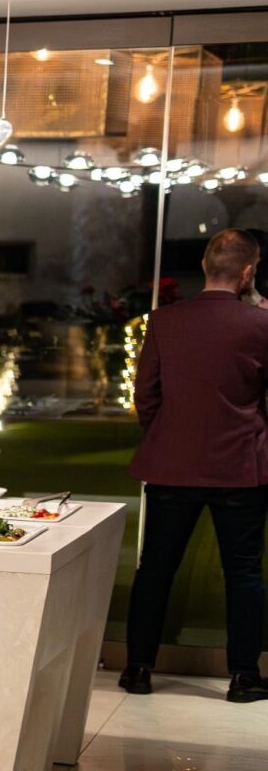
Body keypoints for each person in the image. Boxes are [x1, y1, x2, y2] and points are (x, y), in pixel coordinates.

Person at [122, 229, 268, 700]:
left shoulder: (164, 321)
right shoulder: (261, 324)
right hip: (241, 466)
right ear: (248, 272)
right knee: (243, 574)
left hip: (172, 465)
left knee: (155, 569)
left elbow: (146, 394)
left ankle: (138, 669)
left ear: (206, 266)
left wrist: (168, 435)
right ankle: (243, 676)